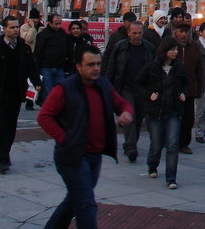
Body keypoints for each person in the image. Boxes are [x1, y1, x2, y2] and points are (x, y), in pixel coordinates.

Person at [37, 45, 133, 228]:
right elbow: (44, 117)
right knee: (86, 204)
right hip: (72, 156)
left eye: (98, 64)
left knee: (75, 199)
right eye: (90, 64)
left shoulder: (103, 85)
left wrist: (126, 113)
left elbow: (122, 104)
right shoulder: (64, 89)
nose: (96, 68)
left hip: (94, 155)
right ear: (78, 67)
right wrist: (64, 139)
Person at [0, 15, 41, 173]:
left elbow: (31, 67)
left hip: (17, 91)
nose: (15, 30)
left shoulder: (23, 48)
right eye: (11, 27)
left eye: (17, 27)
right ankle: (0, 157)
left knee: (11, 125)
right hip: (0, 92)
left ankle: (5, 152)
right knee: (1, 124)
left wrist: (37, 82)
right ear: (4, 29)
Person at [136, 37, 187, 189]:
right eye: (172, 49)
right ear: (164, 51)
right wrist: (148, 95)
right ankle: (152, 166)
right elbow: (138, 83)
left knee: (172, 144)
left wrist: (183, 93)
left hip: (173, 111)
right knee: (156, 144)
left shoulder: (179, 68)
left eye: (177, 49)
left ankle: (171, 178)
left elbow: (185, 84)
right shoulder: (152, 67)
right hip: (155, 112)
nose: (175, 52)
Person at [104, 20, 154, 162]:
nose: (137, 36)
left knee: (138, 119)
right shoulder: (120, 47)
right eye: (134, 33)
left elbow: (154, 69)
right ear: (128, 33)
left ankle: (130, 143)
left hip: (142, 89)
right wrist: (108, 86)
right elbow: (111, 68)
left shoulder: (149, 48)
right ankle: (131, 147)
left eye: (139, 33)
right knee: (129, 114)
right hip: (125, 87)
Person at [172, 23, 203, 153]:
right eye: (181, 31)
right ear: (175, 32)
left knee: (188, 118)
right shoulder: (170, 45)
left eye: (186, 31)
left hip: (189, 88)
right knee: (173, 116)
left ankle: (184, 143)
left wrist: (199, 89)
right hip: (173, 88)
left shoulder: (194, 46)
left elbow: (199, 69)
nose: (184, 34)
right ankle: (172, 141)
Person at [35, 13, 70, 100]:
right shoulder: (43, 35)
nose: (58, 26)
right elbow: (38, 52)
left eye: (59, 23)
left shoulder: (62, 33)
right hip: (46, 67)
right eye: (56, 24)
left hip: (59, 66)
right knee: (48, 92)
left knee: (60, 91)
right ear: (50, 23)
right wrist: (37, 68)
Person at [20, 9, 41, 110]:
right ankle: (29, 101)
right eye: (33, 18)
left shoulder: (41, 27)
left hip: (39, 56)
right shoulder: (24, 27)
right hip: (28, 55)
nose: (36, 20)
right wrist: (33, 28)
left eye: (37, 18)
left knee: (38, 80)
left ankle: (37, 99)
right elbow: (28, 39)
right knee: (29, 82)